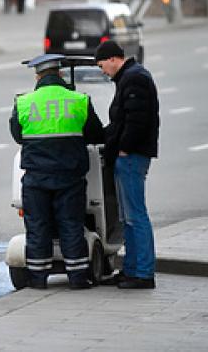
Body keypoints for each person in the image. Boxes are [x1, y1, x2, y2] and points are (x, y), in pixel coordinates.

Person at [10, 54, 105, 289]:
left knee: (38, 226)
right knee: (71, 224)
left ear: (38, 76)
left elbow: (18, 136)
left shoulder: (23, 102)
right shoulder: (79, 100)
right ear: (60, 74)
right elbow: (95, 134)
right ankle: (77, 278)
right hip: (70, 176)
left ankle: (38, 280)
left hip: (36, 177)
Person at [95, 40, 159, 289]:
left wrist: (123, 148)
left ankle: (143, 273)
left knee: (135, 215)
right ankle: (130, 269)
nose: (103, 71)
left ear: (113, 59)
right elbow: (122, 120)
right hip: (128, 156)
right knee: (127, 216)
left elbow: (136, 120)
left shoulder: (134, 79)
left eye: (103, 65)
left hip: (131, 157)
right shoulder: (129, 77)